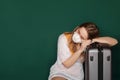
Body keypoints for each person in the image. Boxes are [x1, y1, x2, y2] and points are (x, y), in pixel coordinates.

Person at [48, 22, 118, 80]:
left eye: (82, 37)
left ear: (87, 39)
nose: (77, 35)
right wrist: (81, 49)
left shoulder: (88, 44)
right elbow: (67, 64)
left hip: (77, 77)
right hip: (60, 73)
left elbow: (114, 41)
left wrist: (93, 40)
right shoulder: (64, 37)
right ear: (78, 27)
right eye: (78, 31)